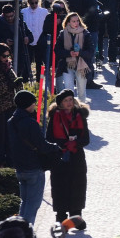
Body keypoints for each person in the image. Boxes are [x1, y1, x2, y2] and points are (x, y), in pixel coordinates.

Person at [7, 90, 62, 224]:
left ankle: (20, 228)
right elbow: (42, 146)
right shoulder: (31, 123)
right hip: (34, 168)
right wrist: (56, 147)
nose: (34, 105)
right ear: (28, 104)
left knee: (25, 202)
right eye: (33, 103)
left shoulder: (11, 121)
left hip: (19, 168)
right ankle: (26, 231)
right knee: (33, 205)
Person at [46, 89, 91, 223]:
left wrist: (75, 144)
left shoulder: (80, 115)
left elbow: (86, 139)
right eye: (66, 100)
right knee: (60, 186)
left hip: (77, 157)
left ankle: (76, 216)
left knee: (78, 186)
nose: (69, 102)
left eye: (71, 99)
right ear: (60, 104)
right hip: (60, 156)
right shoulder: (55, 116)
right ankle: (61, 216)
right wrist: (63, 144)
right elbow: (49, 138)